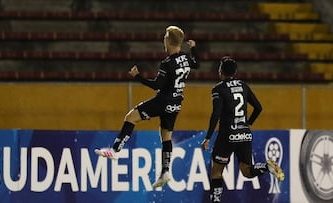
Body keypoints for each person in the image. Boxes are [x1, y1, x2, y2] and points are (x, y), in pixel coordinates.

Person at [95, 25, 199, 188]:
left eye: (165, 36)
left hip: (163, 101)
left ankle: (115, 150)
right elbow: (196, 64)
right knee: (166, 136)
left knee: (131, 117)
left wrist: (138, 77)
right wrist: (193, 49)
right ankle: (165, 171)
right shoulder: (185, 58)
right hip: (177, 103)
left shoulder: (167, 63)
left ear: (168, 41)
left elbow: (157, 84)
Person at [201, 56, 284, 202]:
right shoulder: (243, 86)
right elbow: (258, 108)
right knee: (247, 171)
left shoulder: (218, 89)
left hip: (227, 134)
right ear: (235, 71)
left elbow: (216, 114)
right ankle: (266, 166)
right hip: (244, 133)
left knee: (216, 172)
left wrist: (208, 137)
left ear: (221, 71)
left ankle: (215, 201)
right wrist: (248, 123)